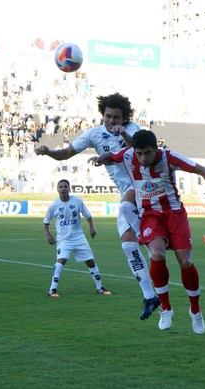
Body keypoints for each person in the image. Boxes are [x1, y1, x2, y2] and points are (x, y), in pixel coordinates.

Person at [35, 92, 160, 320]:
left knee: (147, 241)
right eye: (108, 117)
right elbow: (66, 153)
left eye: (116, 117)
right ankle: (150, 296)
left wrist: (123, 133)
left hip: (147, 189)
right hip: (127, 193)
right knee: (128, 247)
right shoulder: (94, 134)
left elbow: (139, 150)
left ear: (125, 118)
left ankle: (155, 250)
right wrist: (48, 152)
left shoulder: (133, 130)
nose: (112, 121)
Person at [90, 129, 205, 335]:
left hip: (175, 213)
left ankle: (195, 311)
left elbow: (203, 170)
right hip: (150, 214)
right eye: (139, 153)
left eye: (147, 153)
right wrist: (101, 158)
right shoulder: (128, 156)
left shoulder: (169, 157)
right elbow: (112, 156)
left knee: (186, 262)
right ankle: (166, 309)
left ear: (156, 149)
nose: (142, 158)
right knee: (156, 254)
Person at [44, 179, 111, 297]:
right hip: (64, 239)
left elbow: (88, 215)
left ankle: (100, 288)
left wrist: (91, 228)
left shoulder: (77, 201)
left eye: (65, 186)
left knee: (90, 261)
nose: (63, 188)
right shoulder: (54, 205)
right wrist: (48, 234)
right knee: (61, 261)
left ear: (69, 188)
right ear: (57, 189)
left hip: (79, 237)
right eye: (61, 187)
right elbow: (46, 221)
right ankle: (52, 290)